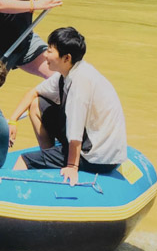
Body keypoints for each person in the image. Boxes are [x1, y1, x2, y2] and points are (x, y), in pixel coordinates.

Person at [10, 27, 127, 184]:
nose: (45, 55)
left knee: (24, 160)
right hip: (93, 139)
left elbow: (75, 132)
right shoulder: (68, 73)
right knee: (36, 105)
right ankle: (49, 155)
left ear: (66, 58)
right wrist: (13, 120)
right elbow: (34, 93)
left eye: (50, 51)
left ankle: (46, 168)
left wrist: (72, 166)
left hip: (96, 157)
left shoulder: (80, 84)